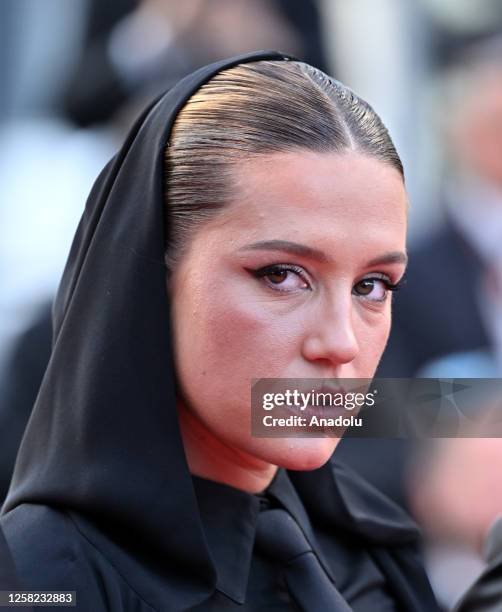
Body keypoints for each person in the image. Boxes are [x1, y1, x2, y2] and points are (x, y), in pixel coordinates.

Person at [0, 50, 439, 611]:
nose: (340, 343)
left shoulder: (373, 554)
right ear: (152, 276)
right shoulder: (45, 577)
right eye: (282, 276)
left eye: (373, 286)